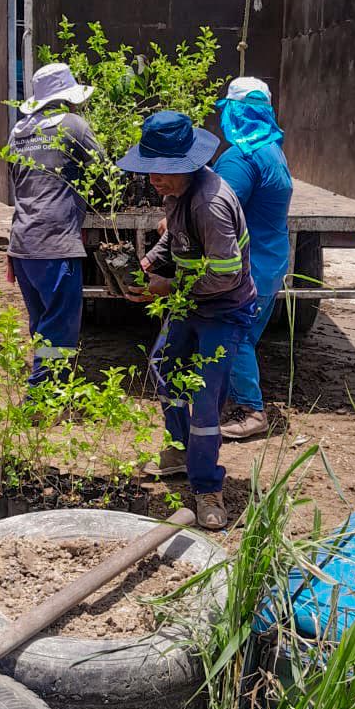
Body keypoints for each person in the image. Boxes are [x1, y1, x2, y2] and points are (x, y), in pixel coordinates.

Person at [118, 110, 257, 532]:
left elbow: (226, 274)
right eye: (151, 170)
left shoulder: (211, 203)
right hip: (191, 302)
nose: (153, 179)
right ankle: (180, 451)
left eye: (162, 172)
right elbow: (173, 238)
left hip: (223, 307)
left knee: (206, 397)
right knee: (165, 368)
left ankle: (207, 486)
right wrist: (150, 262)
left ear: (188, 166)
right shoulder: (176, 192)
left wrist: (169, 289)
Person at [7, 61, 105, 383]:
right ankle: (41, 400)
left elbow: (19, 187)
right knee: (59, 328)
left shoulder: (19, 132)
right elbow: (104, 172)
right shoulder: (73, 126)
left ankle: (56, 392)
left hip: (22, 246)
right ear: (67, 97)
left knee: (42, 324)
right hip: (55, 246)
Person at [213, 77, 293, 440]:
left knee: (234, 334)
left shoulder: (241, 157)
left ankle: (250, 410)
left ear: (233, 112)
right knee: (246, 334)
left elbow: (216, 211)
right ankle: (234, 398)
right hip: (271, 259)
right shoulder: (273, 149)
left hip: (249, 265)